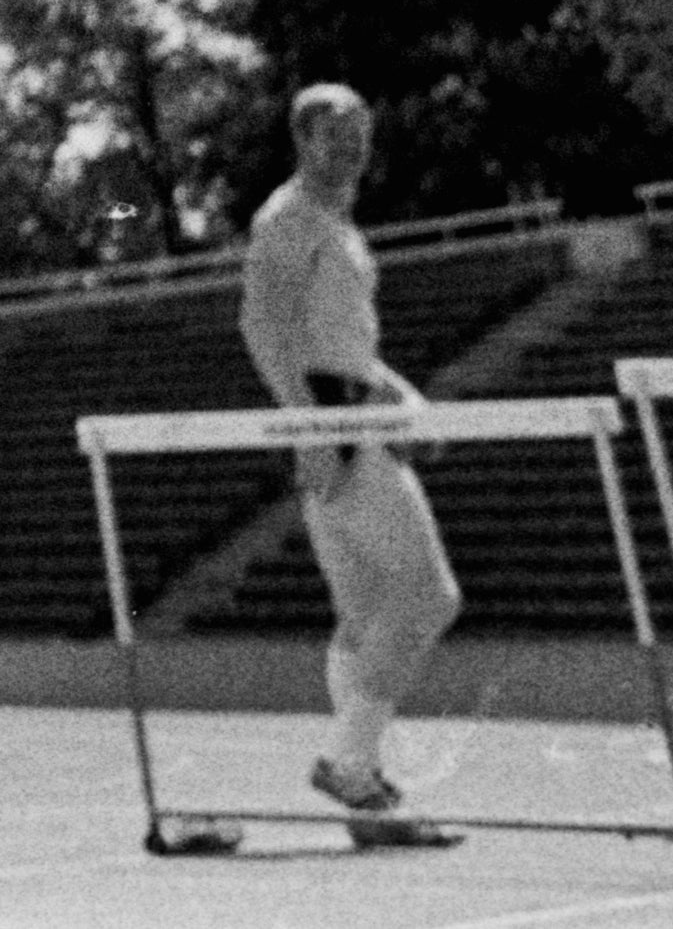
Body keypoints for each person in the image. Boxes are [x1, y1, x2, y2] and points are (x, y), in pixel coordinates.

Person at [241, 84, 466, 849]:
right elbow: (263, 327)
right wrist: (311, 427)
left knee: (367, 616)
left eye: (361, 132)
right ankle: (347, 761)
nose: (352, 146)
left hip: (357, 407)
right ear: (302, 139)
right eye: (335, 133)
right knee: (430, 595)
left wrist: (399, 397)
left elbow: (346, 343)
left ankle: (364, 795)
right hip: (333, 421)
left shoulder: (339, 225)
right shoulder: (288, 219)